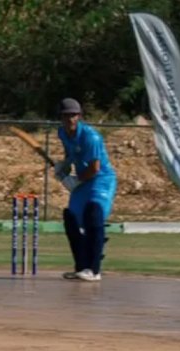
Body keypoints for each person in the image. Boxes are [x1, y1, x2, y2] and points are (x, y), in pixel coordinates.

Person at [54, 98, 117, 282]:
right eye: (66, 116)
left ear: (79, 116)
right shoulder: (62, 132)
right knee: (71, 218)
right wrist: (64, 167)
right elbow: (70, 154)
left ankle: (94, 270)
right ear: (61, 117)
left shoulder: (91, 137)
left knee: (93, 212)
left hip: (101, 179)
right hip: (84, 179)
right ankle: (81, 267)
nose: (70, 119)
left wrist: (75, 181)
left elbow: (95, 168)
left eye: (73, 115)